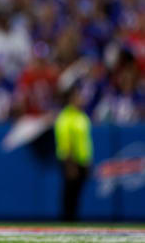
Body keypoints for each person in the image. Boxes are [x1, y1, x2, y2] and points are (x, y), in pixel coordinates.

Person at [55, 85, 93, 221]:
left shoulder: (82, 116)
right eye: (78, 97)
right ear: (71, 99)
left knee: (77, 193)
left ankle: (73, 219)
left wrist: (87, 161)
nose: (81, 99)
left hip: (82, 160)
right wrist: (70, 164)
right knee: (69, 192)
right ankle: (67, 219)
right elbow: (66, 142)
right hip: (71, 160)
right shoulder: (65, 117)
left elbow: (85, 141)